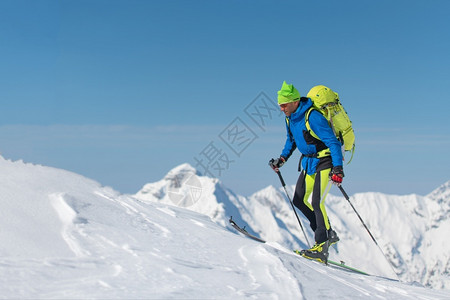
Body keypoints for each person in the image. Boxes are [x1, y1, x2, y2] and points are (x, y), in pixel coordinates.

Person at [269, 81, 344, 263]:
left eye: (284, 104)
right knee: (299, 200)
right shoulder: (290, 118)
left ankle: (321, 244)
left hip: (325, 160)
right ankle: (327, 233)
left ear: (295, 102)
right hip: (309, 162)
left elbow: (333, 142)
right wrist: (282, 158)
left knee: (317, 201)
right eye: (280, 105)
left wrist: (338, 169)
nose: (281, 108)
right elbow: (291, 140)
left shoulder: (313, 117)